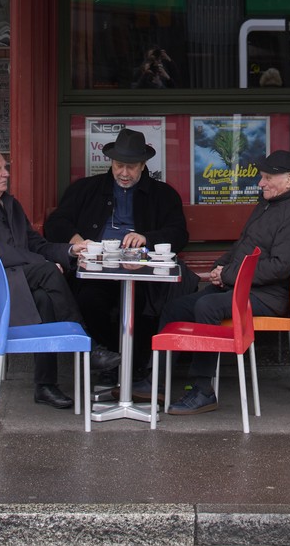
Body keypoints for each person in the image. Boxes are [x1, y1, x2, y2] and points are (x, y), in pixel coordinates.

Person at [0, 141, 117, 410]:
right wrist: (43, 263)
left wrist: (70, 250)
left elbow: (35, 243)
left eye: (5, 167)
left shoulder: (9, 205)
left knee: (44, 299)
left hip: (17, 277)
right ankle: (88, 345)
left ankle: (45, 385)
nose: (6, 174)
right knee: (46, 272)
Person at [159, 149, 290, 415]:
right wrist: (220, 267)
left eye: (267, 178)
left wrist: (229, 274)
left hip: (268, 296)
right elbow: (242, 245)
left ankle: (203, 391)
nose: (260, 183)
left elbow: (278, 267)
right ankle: (157, 381)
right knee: (175, 307)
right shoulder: (268, 204)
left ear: (289, 180)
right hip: (239, 286)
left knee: (207, 306)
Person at [43, 128, 189, 392]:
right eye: (119, 165)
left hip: (144, 275)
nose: (124, 173)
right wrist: (76, 240)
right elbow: (55, 223)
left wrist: (146, 237)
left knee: (145, 305)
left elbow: (179, 234)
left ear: (143, 165)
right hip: (99, 270)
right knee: (88, 300)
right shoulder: (86, 188)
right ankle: (110, 362)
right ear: (110, 163)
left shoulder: (163, 194)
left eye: (131, 167)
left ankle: (134, 367)